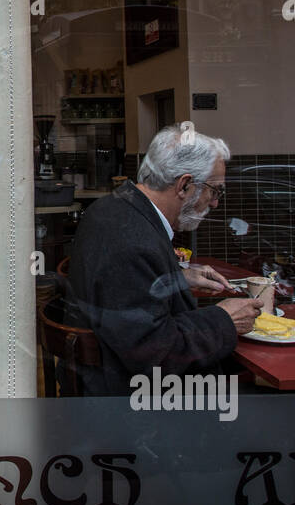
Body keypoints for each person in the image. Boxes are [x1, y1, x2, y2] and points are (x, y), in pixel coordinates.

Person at [64, 124, 264, 395]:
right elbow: (154, 353)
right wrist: (224, 319)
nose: (215, 203)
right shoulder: (132, 240)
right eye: (214, 191)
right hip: (133, 405)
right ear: (184, 185)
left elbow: (124, 291)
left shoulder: (114, 208)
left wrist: (174, 277)